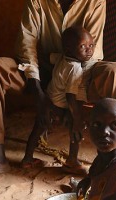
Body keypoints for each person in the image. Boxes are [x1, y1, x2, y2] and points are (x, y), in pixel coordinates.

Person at [0, 0, 116, 180]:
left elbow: (90, 53)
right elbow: (27, 43)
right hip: (45, 71)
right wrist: (38, 91)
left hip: (84, 72)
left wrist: (71, 103)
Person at [23, 26, 97, 173]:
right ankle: (72, 161)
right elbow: (70, 97)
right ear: (69, 50)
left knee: (37, 129)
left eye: (91, 45)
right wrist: (76, 118)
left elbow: (46, 57)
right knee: (75, 129)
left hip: (48, 101)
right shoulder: (75, 68)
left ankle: (27, 159)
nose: (89, 50)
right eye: (83, 46)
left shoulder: (62, 57)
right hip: (59, 107)